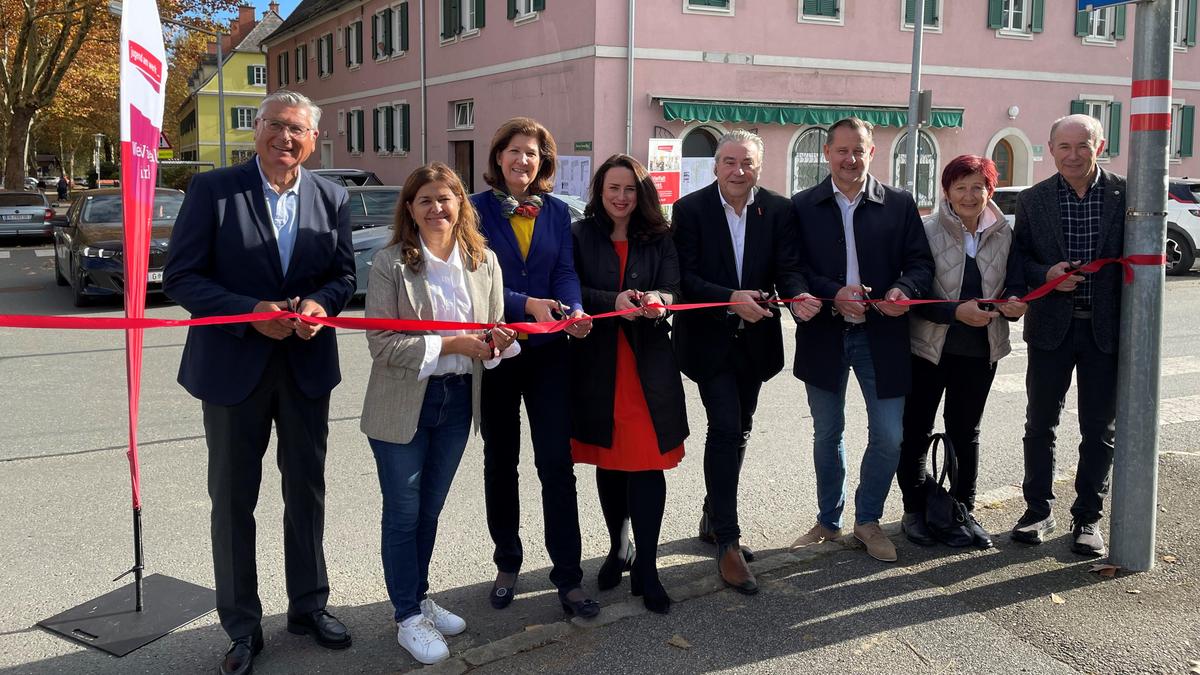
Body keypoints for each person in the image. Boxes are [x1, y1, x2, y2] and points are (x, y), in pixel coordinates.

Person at [163, 90, 356, 675]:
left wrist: (322, 306)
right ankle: (242, 627)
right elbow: (181, 279)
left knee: (306, 494)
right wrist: (251, 311)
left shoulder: (332, 196)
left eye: (298, 129)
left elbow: (343, 275)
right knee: (233, 501)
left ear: (314, 140)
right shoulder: (212, 191)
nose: (285, 138)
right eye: (275, 125)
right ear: (257, 131)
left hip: (305, 367)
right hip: (231, 370)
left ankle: (309, 606)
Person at [360, 163, 518, 664]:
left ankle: (419, 596)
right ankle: (406, 615)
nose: (436, 208)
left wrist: (497, 343)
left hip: (456, 401)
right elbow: (382, 344)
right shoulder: (391, 263)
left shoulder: (483, 261)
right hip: (405, 401)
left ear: (460, 205)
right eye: (425, 200)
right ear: (410, 208)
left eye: (445, 199)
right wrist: (452, 341)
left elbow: (491, 335)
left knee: (429, 511)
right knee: (404, 513)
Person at [672, 129, 817, 595]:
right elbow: (685, 279)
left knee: (743, 427)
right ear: (716, 166)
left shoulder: (777, 208)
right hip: (708, 342)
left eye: (747, 163)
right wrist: (729, 299)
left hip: (756, 341)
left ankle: (714, 517)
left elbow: (787, 266)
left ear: (759, 167)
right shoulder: (690, 210)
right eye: (729, 162)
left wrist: (797, 296)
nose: (738, 171)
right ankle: (728, 543)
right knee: (727, 428)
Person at [470, 117, 599, 618]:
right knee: (500, 464)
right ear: (498, 156)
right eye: (516, 150)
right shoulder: (475, 211)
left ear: (544, 162)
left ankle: (567, 576)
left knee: (556, 466)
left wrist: (575, 311)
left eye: (535, 153)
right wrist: (527, 305)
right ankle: (507, 562)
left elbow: (565, 271)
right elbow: (474, 278)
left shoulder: (557, 212)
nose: (524, 160)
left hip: (549, 358)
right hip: (498, 354)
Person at [790, 117, 934, 563]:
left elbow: (920, 265)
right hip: (825, 334)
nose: (850, 159)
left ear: (872, 153)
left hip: (884, 336)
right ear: (828, 153)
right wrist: (832, 294)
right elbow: (790, 269)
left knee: (889, 435)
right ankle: (828, 520)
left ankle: (867, 520)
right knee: (827, 433)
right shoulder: (803, 205)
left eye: (859, 151)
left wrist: (903, 291)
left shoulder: (899, 204)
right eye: (841, 151)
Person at [569, 154, 688, 614]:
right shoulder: (580, 235)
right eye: (613, 188)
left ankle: (649, 566)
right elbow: (570, 289)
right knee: (610, 460)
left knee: (646, 464)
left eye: (630, 189)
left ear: (642, 194)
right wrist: (610, 300)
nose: (621, 197)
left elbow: (675, 289)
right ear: (600, 191)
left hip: (647, 368)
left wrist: (659, 299)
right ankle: (619, 547)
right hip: (598, 364)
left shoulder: (660, 237)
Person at [896, 155, 1027, 550]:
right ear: (947, 192)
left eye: (978, 186)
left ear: (991, 189)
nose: (970, 195)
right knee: (915, 431)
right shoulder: (926, 230)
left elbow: (1014, 280)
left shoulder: (1005, 232)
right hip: (929, 346)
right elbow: (917, 294)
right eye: (960, 187)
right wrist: (955, 311)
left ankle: (962, 509)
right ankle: (914, 511)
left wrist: (1015, 301)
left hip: (980, 349)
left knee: (965, 431)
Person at [1010, 114, 1127, 557]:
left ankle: (1088, 518)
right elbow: (1019, 262)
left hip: (1105, 331)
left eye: (1083, 145)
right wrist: (1047, 275)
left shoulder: (1126, 194)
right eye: (1064, 147)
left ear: (1099, 146)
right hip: (1051, 331)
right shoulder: (1034, 200)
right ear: (1051, 148)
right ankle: (1038, 510)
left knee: (1099, 429)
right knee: (1040, 424)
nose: (1073, 155)